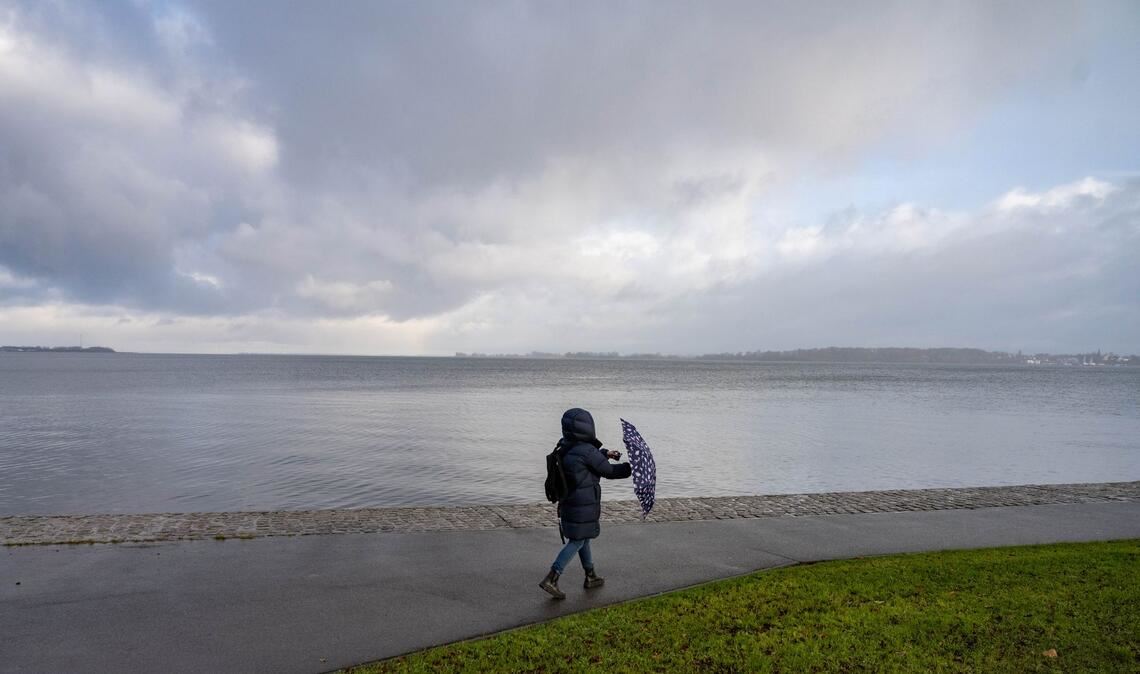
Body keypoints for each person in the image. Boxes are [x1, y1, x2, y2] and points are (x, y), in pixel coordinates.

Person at [539, 407, 631, 599]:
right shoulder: (587, 451)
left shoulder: (565, 445)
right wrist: (630, 468)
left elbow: (586, 459)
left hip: (569, 501)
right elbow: (609, 472)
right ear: (587, 427)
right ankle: (552, 578)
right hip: (583, 503)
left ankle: (591, 576)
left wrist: (605, 453)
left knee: (583, 537)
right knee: (577, 540)